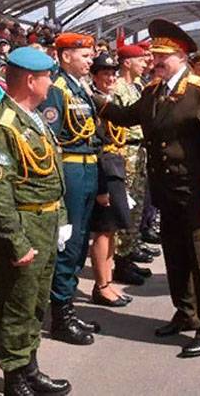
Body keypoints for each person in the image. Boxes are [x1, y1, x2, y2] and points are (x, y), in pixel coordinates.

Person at [96, 19, 200, 358]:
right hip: (166, 189)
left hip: (195, 191)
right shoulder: (153, 90)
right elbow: (127, 116)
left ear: (181, 55)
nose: (155, 59)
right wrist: (95, 100)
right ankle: (185, 312)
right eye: (154, 53)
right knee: (175, 255)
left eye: (162, 54)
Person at [0, 47, 72, 396]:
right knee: (17, 303)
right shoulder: (1, 125)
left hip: (46, 220)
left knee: (35, 301)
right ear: (31, 80)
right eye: (47, 75)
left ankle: (30, 367)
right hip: (24, 225)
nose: (51, 81)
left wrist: (61, 216)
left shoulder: (33, 118)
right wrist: (16, 241)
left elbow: (52, 173)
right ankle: (15, 375)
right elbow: (0, 191)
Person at [38, 33, 102, 346]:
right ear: (65, 56)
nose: (90, 61)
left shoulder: (79, 88)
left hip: (88, 165)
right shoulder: (57, 89)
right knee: (70, 242)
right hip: (72, 168)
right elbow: (50, 139)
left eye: (90, 56)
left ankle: (68, 306)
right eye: (84, 55)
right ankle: (60, 314)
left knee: (80, 243)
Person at [89, 53, 137, 307]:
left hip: (115, 164)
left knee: (112, 228)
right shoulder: (92, 101)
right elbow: (94, 141)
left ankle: (108, 282)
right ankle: (101, 285)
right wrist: (101, 185)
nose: (109, 77)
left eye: (112, 73)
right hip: (103, 167)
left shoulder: (109, 98)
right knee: (103, 230)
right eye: (104, 73)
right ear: (94, 75)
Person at [111, 44, 156, 285]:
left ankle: (129, 254)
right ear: (127, 62)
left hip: (139, 150)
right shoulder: (117, 87)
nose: (145, 63)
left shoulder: (136, 87)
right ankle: (121, 261)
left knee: (137, 206)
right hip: (125, 149)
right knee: (125, 208)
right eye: (140, 59)